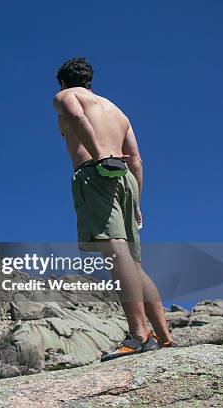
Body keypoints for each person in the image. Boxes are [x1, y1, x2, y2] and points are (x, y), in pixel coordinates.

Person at [52, 57, 175, 361]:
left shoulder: (65, 96)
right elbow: (136, 159)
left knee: (115, 250)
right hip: (127, 181)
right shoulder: (117, 111)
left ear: (64, 82)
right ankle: (165, 337)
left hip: (97, 173)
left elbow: (77, 117)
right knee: (133, 261)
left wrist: (99, 158)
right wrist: (138, 202)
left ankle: (137, 335)